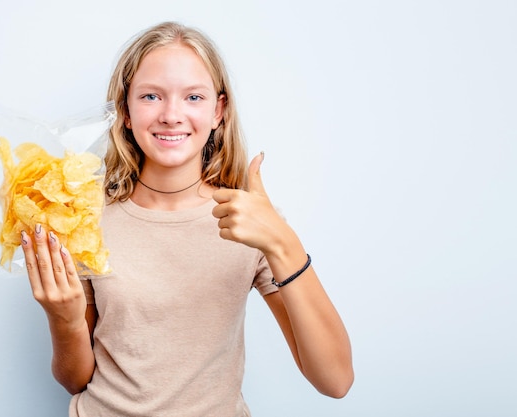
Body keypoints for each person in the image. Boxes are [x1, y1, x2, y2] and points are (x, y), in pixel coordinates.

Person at [20, 21, 353, 417]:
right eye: (150, 96)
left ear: (219, 111)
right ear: (125, 111)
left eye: (193, 96)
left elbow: (335, 380)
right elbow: (76, 379)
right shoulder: (85, 218)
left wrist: (283, 242)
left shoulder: (250, 221)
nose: (171, 115)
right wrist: (65, 319)